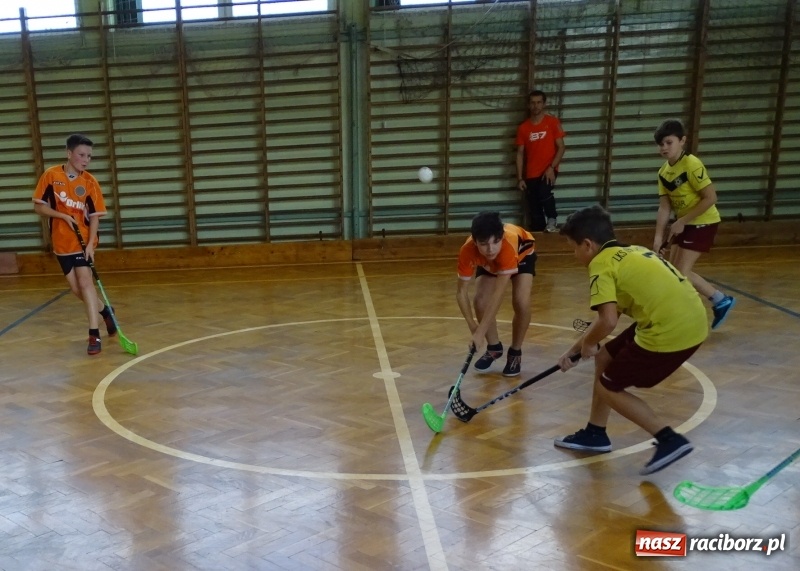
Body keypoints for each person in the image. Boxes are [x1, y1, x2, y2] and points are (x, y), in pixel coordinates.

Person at [554, 205, 706, 475]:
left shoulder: (600, 265)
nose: (574, 254)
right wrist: (573, 352)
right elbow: (607, 319)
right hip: (692, 320)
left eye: (572, 248)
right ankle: (595, 434)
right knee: (605, 358)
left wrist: (587, 345)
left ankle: (669, 439)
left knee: (607, 387)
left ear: (587, 245)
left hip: (670, 332)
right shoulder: (633, 252)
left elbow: (608, 321)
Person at [32, 134, 116, 355]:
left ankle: (93, 334)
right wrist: (60, 215)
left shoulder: (90, 182)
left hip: (83, 241)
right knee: (77, 289)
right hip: (61, 243)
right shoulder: (51, 176)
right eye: (81, 154)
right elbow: (39, 206)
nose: (85, 159)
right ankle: (106, 312)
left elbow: (96, 216)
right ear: (69, 153)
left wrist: (90, 245)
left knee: (86, 284)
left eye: (89, 156)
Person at [653, 118, 735, 330]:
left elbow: (710, 197)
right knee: (674, 272)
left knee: (680, 272)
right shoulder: (663, 172)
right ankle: (680, 313)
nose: (664, 148)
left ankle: (720, 300)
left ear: (682, 141)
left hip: (702, 222)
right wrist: (658, 237)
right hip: (685, 224)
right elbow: (664, 207)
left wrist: (683, 220)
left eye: (668, 143)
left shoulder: (692, 164)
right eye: (661, 144)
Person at [456, 211, 536, 377]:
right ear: (475, 241)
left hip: (522, 254)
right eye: (484, 243)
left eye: (495, 241)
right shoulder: (467, 250)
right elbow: (461, 292)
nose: (491, 248)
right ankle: (494, 348)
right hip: (490, 264)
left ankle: (515, 352)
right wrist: (473, 327)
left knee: (521, 301)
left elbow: (498, 295)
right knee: (480, 301)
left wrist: (480, 332)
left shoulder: (507, 245)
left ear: (501, 237)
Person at [516, 89, 566, 233]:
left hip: (548, 170)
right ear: (528, 105)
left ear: (544, 104)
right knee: (534, 207)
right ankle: (539, 234)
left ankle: (552, 219)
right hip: (531, 173)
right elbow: (519, 153)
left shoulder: (552, 122)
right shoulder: (523, 128)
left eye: (539, 102)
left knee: (545, 192)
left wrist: (551, 167)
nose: (536, 106)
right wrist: (520, 178)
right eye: (533, 103)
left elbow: (561, 147)